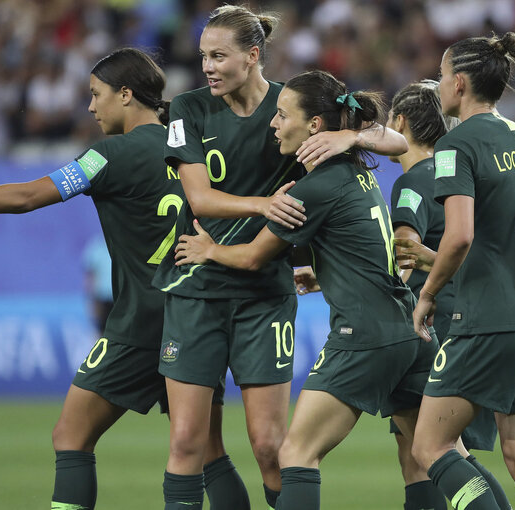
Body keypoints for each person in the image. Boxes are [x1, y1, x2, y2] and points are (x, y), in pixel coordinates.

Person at [0, 48, 245, 510]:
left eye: (96, 95)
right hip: (200, 316)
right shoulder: (196, 146)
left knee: (71, 436)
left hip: (142, 323)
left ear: (127, 95)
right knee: (208, 452)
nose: (91, 107)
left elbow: (28, 196)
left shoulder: (106, 156)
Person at [154, 7, 408, 509]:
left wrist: (351, 134)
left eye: (218, 56)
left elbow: (399, 143)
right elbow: (199, 199)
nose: (206, 66)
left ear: (252, 56)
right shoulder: (187, 108)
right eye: (203, 55)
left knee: (272, 448)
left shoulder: (292, 105)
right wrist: (262, 203)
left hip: (265, 294)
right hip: (198, 287)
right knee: (187, 442)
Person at [409, 33, 515, 510]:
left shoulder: (456, 144)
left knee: (429, 447)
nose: (437, 86)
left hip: (490, 321)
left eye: (440, 75)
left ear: (459, 83)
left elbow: (459, 235)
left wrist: (428, 293)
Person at [384, 79, 503, 510]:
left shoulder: (413, 181)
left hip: (428, 325)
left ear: (398, 122)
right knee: (421, 451)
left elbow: (405, 249)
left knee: (434, 451)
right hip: (470, 318)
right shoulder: (456, 173)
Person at [82, 234, 114, 332]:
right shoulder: (96, 248)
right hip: (102, 298)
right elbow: (89, 278)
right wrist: (91, 301)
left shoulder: (123, 247)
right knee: (101, 329)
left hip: (121, 298)